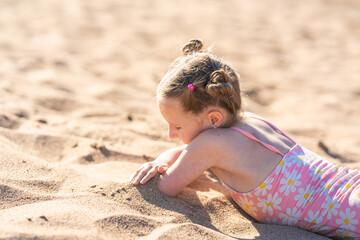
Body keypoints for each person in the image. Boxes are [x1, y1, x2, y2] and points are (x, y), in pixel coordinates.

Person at [128, 39, 360, 239]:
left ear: (214, 119)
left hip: (350, 210)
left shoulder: (210, 144)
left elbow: (168, 185)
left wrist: (161, 167)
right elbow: (189, 154)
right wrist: (163, 159)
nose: (171, 135)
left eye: (177, 126)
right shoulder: (249, 122)